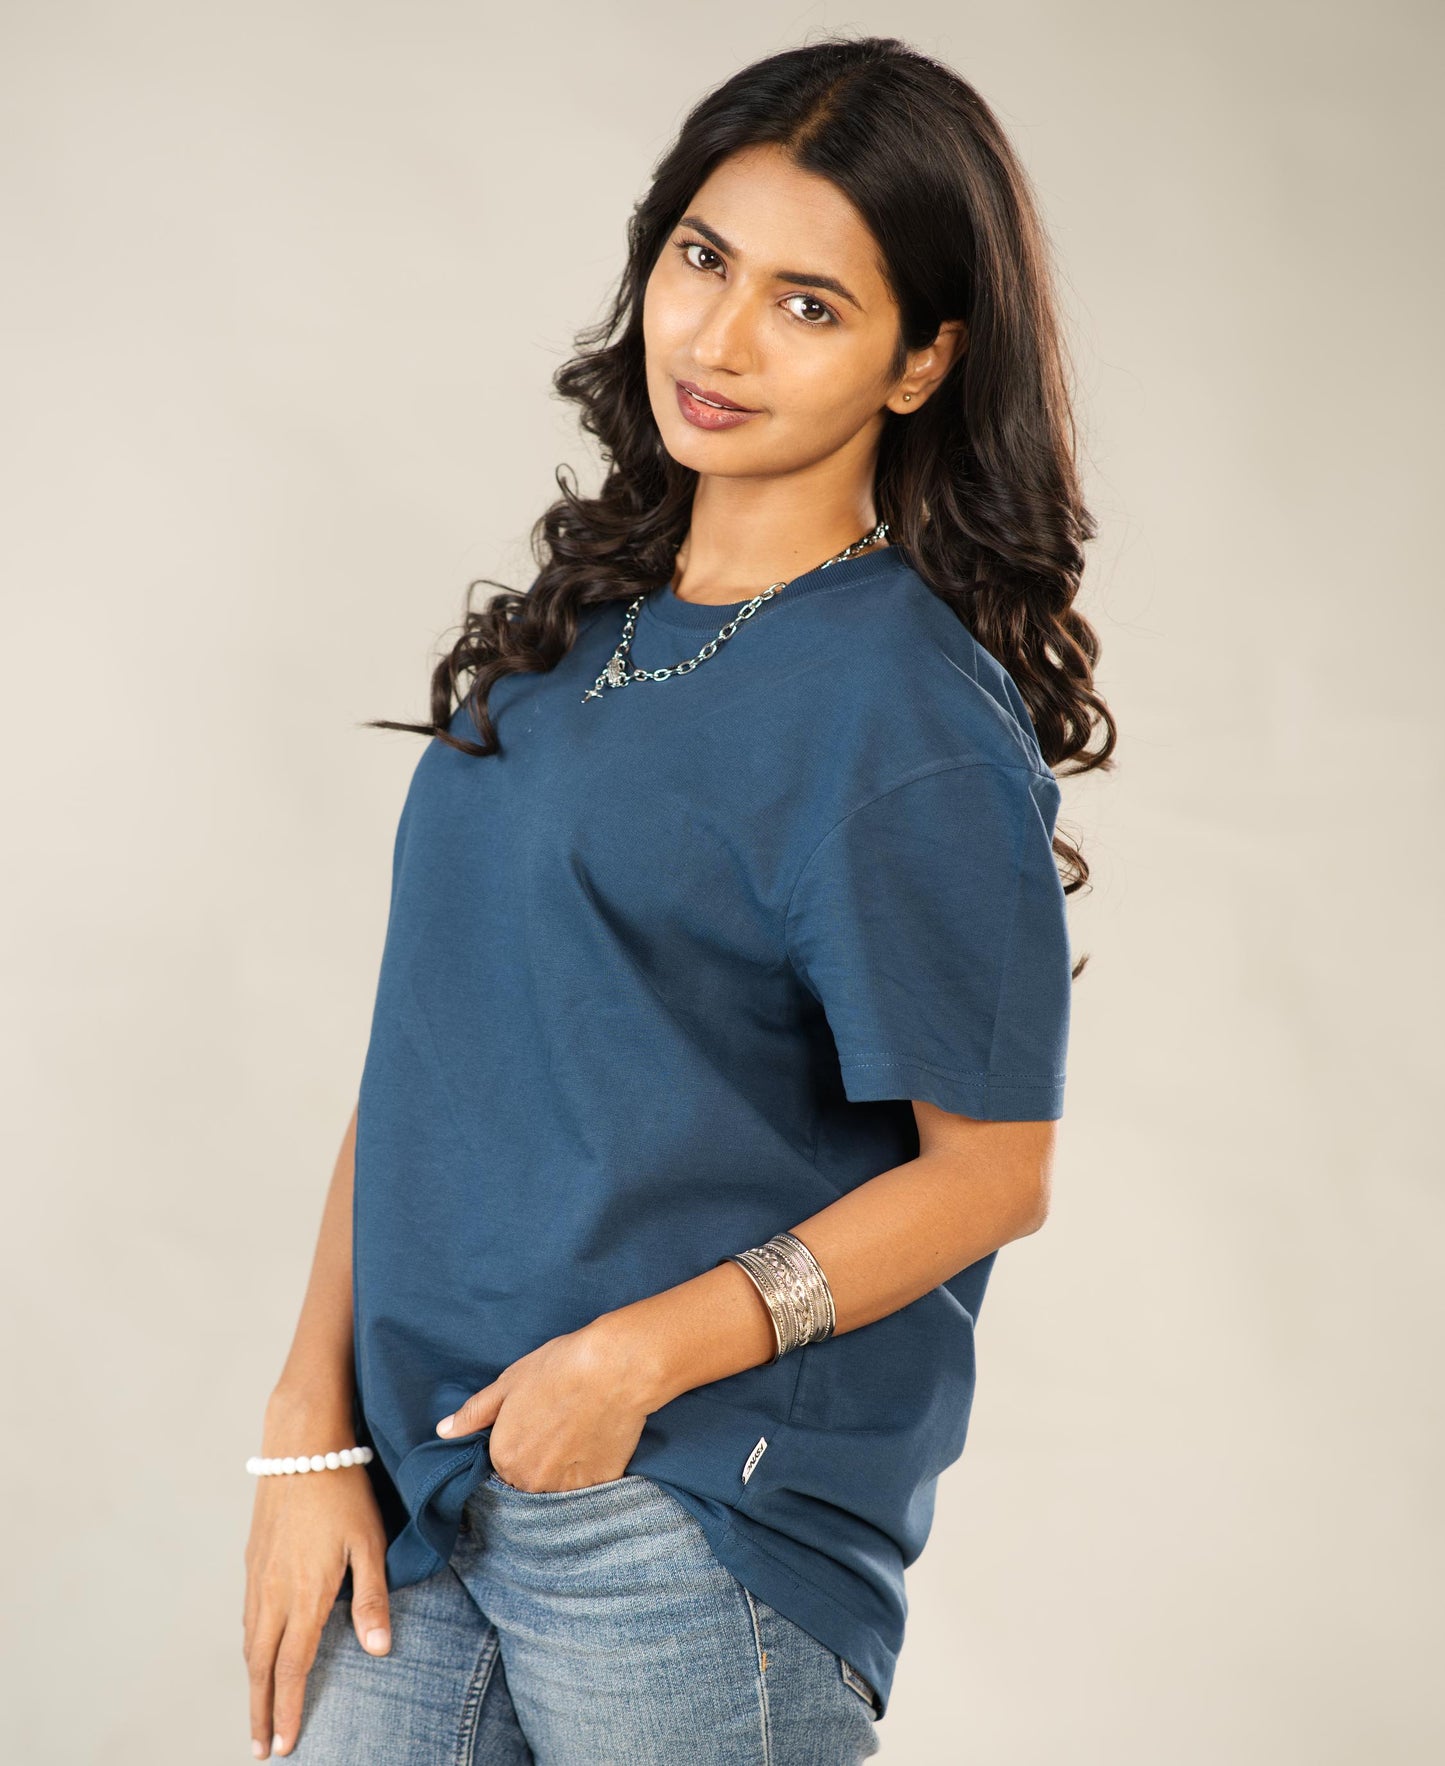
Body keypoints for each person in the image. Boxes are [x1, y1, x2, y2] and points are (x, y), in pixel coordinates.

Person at [242, 32, 1115, 1765]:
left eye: (809, 303)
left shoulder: (902, 708)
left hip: (681, 1513)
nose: (714, 338)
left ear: (922, 361)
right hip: (417, 1496)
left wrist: (626, 1365)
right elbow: (430, 1048)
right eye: (702, 260)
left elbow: (992, 1170)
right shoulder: (579, 640)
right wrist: (303, 1426)